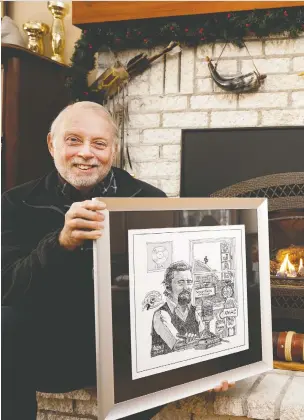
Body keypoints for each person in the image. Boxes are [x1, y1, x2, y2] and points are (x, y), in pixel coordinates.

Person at [1, 101, 232, 420]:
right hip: (47, 349)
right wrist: (60, 243)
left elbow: (176, 288)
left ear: (114, 149)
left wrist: (205, 359)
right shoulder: (16, 202)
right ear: (51, 143)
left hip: (122, 351)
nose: (86, 153)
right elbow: (7, 288)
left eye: (99, 143)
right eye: (73, 140)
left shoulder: (149, 200)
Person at [151, 261, 204, 356]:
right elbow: (179, 346)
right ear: (168, 287)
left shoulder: (193, 311)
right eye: (180, 283)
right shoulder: (161, 314)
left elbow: (204, 336)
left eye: (189, 282)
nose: (186, 287)